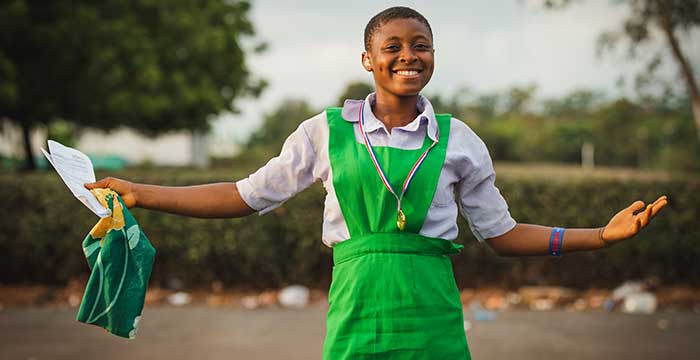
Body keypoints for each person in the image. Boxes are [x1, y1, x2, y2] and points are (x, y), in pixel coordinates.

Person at [85, 6, 668, 359]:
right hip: (357, 312)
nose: (408, 56)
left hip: (433, 316)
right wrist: (143, 193)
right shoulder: (324, 132)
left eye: (421, 46)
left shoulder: (458, 139)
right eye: (392, 47)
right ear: (368, 59)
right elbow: (246, 194)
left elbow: (502, 233)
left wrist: (601, 235)